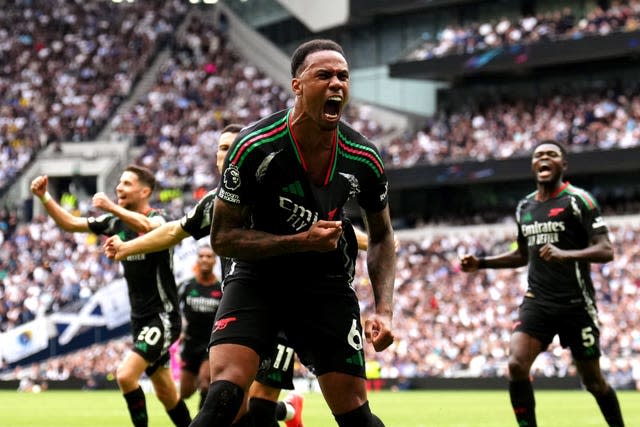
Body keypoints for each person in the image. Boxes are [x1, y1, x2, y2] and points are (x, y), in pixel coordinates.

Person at [193, 38, 396, 427]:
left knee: (355, 413)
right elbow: (223, 238)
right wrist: (300, 241)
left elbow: (384, 236)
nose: (337, 83)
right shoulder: (254, 147)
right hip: (257, 277)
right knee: (224, 396)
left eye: (343, 76)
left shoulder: (364, 157)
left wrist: (384, 310)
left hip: (326, 284)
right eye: (324, 75)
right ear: (297, 86)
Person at [103, 124, 306, 427]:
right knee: (233, 404)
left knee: (256, 408)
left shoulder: (279, 191)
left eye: (235, 146)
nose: (229, 153)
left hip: (283, 311)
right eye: (222, 148)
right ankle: (290, 412)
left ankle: (288, 411)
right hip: (243, 310)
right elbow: (173, 231)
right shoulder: (215, 202)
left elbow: (330, 225)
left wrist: (378, 240)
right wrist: (125, 247)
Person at [460, 140, 625, 427]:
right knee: (515, 365)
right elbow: (523, 255)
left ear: (563, 164)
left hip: (576, 305)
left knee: (594, 382)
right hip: (538, 302)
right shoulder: (525, 206)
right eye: (539, 155)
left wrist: (566, 254)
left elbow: (606, 250)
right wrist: (483, 263)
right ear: (533, 165)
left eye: (552, 154)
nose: (544, 158)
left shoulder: (579, 201)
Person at [30, 166, 191, 427]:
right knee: (165, 392)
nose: (119, 187)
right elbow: (70, 223)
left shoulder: (160, 218)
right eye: (119, 182)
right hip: (140, 319)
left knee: (126, 376)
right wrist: (45, 197)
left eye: (126, 183)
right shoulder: (114, 223)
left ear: (145, 191)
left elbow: (148, 226)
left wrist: (110, 206)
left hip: (163, 317)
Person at [176, 244, 222, 409]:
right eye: (201, 256)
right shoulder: (186, 286)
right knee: (185, 393)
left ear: (215, 261)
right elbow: (173, 309)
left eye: (209, 256)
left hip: (211, 344)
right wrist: (179, 328)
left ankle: (203, 420)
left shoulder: (222, 288)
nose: (204, 259)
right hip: (190, 344)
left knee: (205, 382)